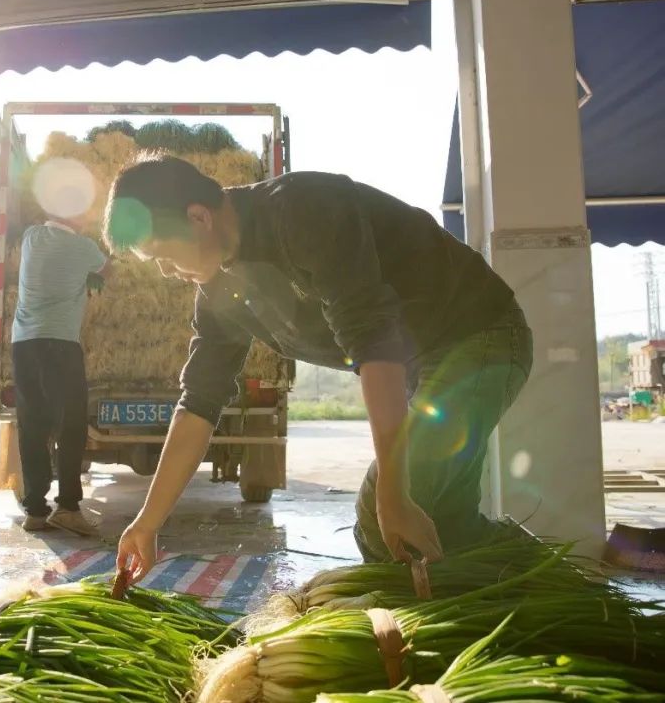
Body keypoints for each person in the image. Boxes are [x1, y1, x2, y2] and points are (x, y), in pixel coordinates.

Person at [105, 155, 533, 580]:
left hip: (479, 336)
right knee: (447, 529)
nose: (164, 271)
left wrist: (392, 494)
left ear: (198, 218)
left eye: (160, 254)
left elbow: (372, 341)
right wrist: (147, 522)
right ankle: (549, 589)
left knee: (385, 519)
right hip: (422, 366)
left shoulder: (303, 211)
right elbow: (198, 402)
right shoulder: (218, 292)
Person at [12, 212, 111, 536]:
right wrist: (92, 277)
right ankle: (68, 507)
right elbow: (108, 269)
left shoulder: (31, 237)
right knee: (71, 427)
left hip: (24, 345)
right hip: (60, 345)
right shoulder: (83, 248)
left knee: (33, 426)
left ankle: (36, 511)